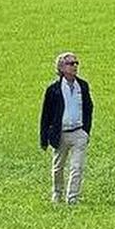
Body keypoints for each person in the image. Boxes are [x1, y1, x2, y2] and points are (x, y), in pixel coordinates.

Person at [39, 52, 94, 205]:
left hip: (78, 133)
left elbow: (89, 108)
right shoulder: (53, 90)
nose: (75, 66)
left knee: (77, 167)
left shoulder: (82, 86)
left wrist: (86, 131)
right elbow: (46, 115)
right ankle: (57, 194)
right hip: (60, 134)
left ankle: (72, 198)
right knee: (58, 168)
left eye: (76, 63)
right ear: (62, 67)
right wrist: (44, 139)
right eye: (71, 63)